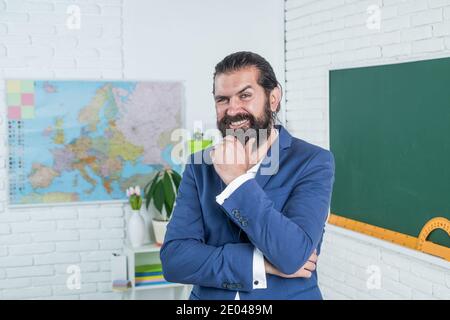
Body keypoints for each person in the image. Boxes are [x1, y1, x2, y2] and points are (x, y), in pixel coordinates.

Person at [161, 51, 335, 300]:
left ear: (273, 98)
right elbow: (174, 260)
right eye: (223, 99)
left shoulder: (312, 162)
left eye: (245, 95)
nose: (232, 110)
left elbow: (292, 255)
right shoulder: (200, 165)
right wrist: (260, 264)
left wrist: (237, 180)